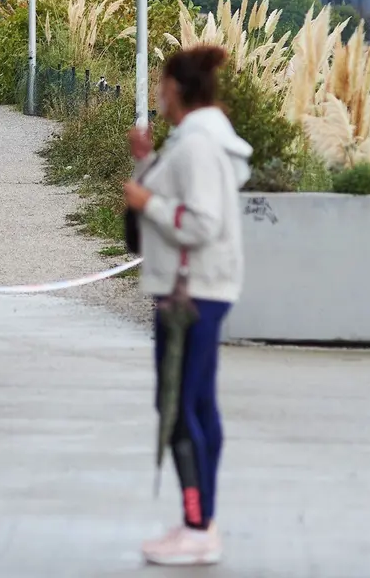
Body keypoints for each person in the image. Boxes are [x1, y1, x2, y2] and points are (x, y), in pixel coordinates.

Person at [123, 44, 252, 566]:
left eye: (162, 84)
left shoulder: (198, 145)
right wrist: (147, 164)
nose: (157, 92)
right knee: (196, 405)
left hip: (189, 294)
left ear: (177, 89)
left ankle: (198, 528)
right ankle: (201, 519)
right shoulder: (200, 139)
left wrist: (144, 200)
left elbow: (202, 222)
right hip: (199, 290)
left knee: (178, 408)